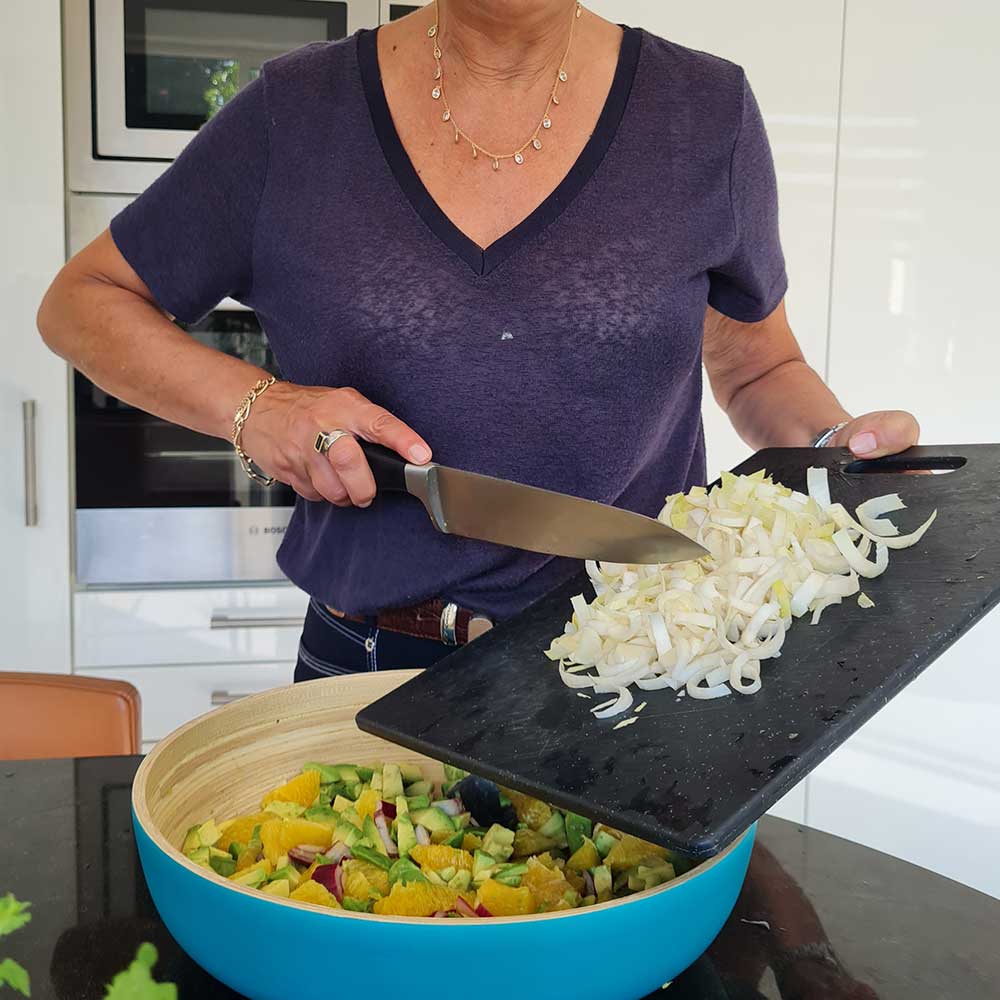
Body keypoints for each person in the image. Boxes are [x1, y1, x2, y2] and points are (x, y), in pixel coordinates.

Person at [37, 1, 919, 682]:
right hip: (368, 669)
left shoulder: (707, 113)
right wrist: (257, 407)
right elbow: (81, 303)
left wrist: (839, 450)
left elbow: (757, 365)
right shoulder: (292, 113)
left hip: (640, 660)